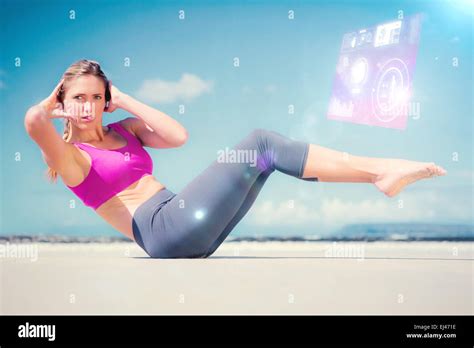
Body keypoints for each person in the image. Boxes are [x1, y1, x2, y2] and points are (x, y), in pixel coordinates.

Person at [24, 59, 447, 258]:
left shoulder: (124, 130)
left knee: (264, 160)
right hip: (164, 230)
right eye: (79, 98)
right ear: (64, 101)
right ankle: (379, 172)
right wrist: (52, 100)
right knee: (260, 143)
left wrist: (126, 100)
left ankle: (378, 174)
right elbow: (32, 121)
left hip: (184, 224)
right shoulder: (71, 157)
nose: (89, 106)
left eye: (97, 97)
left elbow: (178, 136)